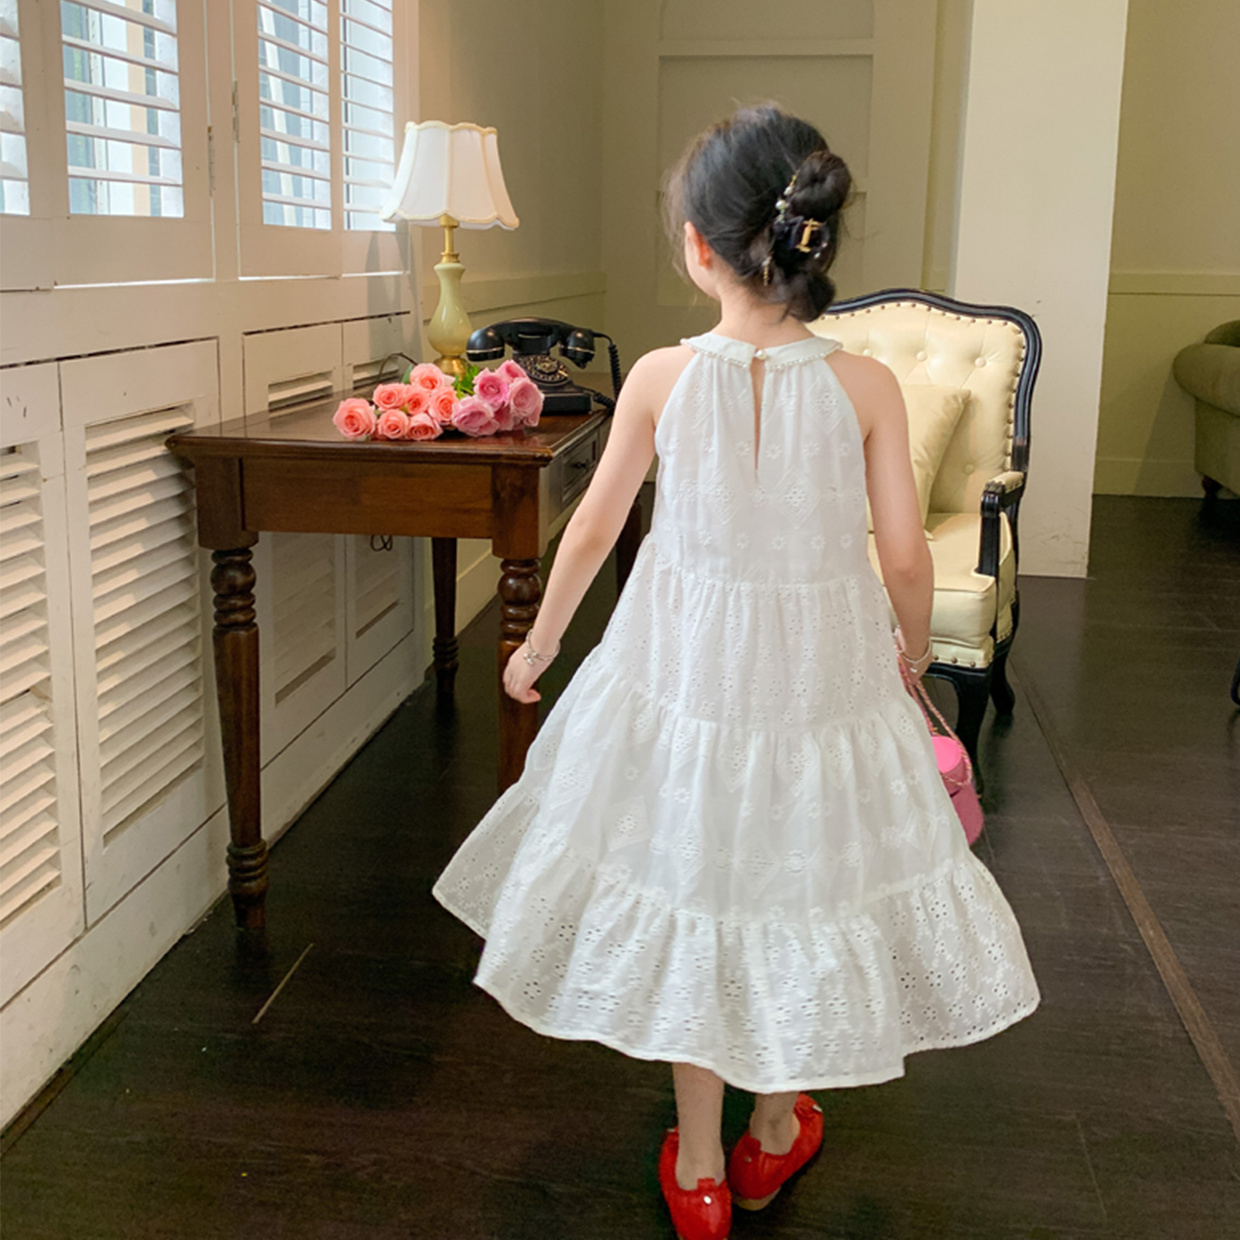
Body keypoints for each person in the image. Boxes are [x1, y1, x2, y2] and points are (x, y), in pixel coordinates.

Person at [433, 104, 1039, 1240]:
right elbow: (906, 555)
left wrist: (538, 643)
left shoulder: (662, 377)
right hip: (820, 676)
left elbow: (593, 525)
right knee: (795, 878)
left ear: (697, 247)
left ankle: (702, 1171)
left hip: (682, 672)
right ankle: (774, 1130)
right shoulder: (865, 386)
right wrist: (907, 653)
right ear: (813, 242)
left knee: (699, 878)